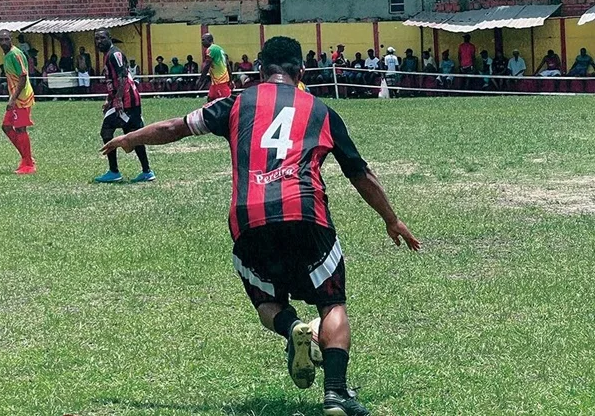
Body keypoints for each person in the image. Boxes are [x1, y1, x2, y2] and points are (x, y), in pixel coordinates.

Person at [100, 36, 420, 416]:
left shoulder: (236, 103)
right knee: (331, 303)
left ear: (258, 70)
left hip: (249, 217)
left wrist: (128, 139)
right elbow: (360, 173)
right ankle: (335, 393)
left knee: (267, 300)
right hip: (305, 214)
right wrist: (391, 218)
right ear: (300, 72)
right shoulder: (321, 111)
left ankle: (293, 329)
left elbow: (174, 127)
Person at [94, 28, 155, 184]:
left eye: (102, 38)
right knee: (133, 135)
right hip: (126, 101)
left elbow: (122, 77)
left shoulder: (115, 54)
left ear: (109, 38)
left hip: (128, 102)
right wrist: (109, 99)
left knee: (107, 132)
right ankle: (146, 171)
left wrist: (119, 99)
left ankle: (114, 172)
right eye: (96, 39)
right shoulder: (108, 55)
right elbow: (113, 81)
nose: (99, 41)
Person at [0, 29, 36, 174]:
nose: (4, 42)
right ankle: (27, 157)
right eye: (1, 40)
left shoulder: (16, 54)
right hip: (15, 98)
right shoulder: (7, 54)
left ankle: (28, 165)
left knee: (20, 128)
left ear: (11, 38)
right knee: (6, 127)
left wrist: (13, 98)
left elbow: (23, 77)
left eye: (6, 39)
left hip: (22, 98)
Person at [197, 33, 232, 101]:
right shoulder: (219, 49)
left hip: (220, 80)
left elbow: (207, 64)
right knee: (210, 99)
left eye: (203, 40)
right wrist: (231, 79)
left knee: (226, 101)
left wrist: (201, 79)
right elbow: (227, 64)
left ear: (209, 40)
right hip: (217, 81)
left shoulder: (211, 49)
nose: (202, 42)